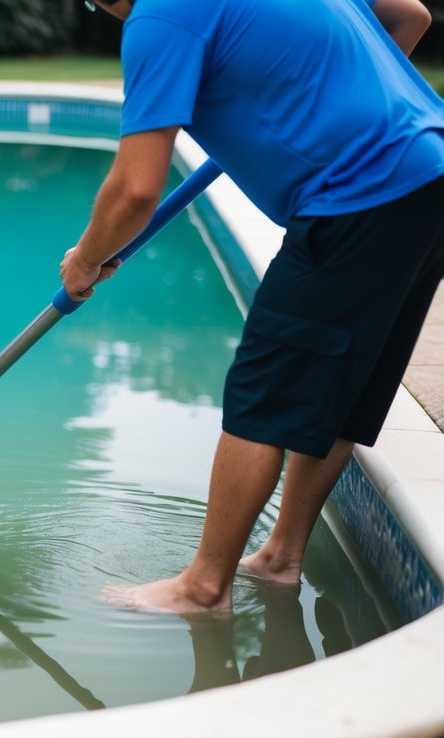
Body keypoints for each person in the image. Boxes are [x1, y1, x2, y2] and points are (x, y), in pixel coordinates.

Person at [60, 0, 444, 613]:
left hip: (358, 196)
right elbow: (412, 16)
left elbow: (134, 190)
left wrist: (85, 261)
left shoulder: (158, 19)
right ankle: (281, 556)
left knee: (262, 394)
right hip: (429, 174)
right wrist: (319, 99)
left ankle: (203, 586)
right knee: (344, 387)